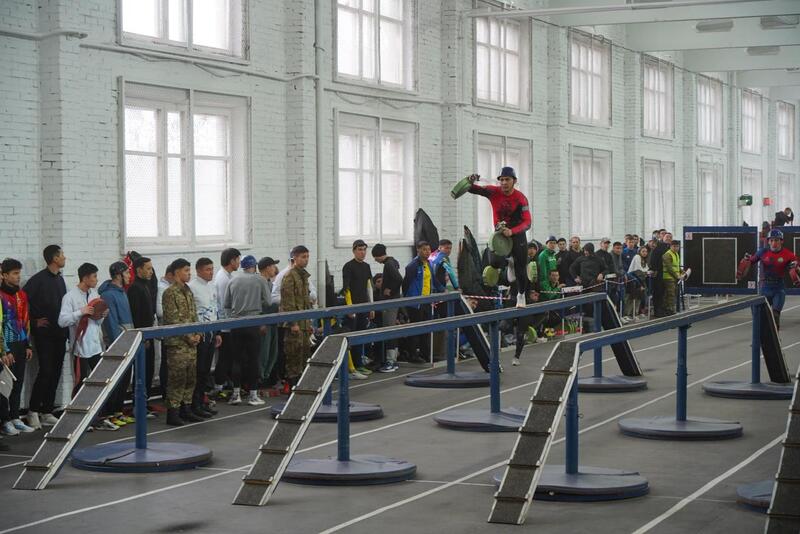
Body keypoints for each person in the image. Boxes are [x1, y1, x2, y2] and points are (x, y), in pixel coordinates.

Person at [58, 263, 117, 430]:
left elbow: (96, 322)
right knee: (80, 384)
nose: (97, 280)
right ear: (85, 278)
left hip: (96, 346)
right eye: (94, 277)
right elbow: (62, 321)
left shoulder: (95, 294)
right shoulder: (69, 297)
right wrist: (80, 312)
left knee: (100, 382)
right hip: (79, 348)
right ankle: (79, 420)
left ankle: (98, 418)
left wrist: (102, 315)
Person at [466, 167, 532, 308]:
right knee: (494, 263)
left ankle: (521, 295)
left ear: (514, 181)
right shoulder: (493, 192)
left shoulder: (521, 198)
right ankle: (509, 262)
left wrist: (512, 231)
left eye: (507, 180)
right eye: (501, 180)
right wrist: (469, 181)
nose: (504, 183)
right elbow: (472, 189)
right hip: (500, 234)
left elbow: (528, 223)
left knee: (520, 269)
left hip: (517, 234)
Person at [23, 245, 67, 430]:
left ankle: (47, 411)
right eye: (62, 255)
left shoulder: (60, 279)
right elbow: (22, 302)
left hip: (60, 333)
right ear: (54, 258)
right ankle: (33, 410)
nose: (64, 257)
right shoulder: (37, 280)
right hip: (44, 335)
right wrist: (34, 322)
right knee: (46, 371)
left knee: (56, 371)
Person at [161, 259, 203, 426]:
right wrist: (188, 336)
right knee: (177, 378)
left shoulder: (188, 290)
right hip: (177, 344)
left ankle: (187, 408)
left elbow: (194, 314)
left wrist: (198, 332)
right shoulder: (170, 293)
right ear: (177, 272)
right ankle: (173, 412)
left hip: (191, 344)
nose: (189, 273)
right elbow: (173, 318)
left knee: (190, 377)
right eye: (186, 270)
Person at [224, 255, 270, 406]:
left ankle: (236, 394)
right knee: (253, 359)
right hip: (253, 322)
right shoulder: (260, 280)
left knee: (236, 359)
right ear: (254, 266)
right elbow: (268, 301)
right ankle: (253, 395)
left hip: (236, 323)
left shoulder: (233, 280)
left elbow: (226, 304)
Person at [99, 262, 138, 426]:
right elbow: (111, 322)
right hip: (118, 343)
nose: (129, 276)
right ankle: (109, 413)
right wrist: (118, 344)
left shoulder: (122, 292)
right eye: (127, 273)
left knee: (125, 379)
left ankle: (118, 411)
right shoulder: (108, 295)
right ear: (118, 275)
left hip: (127, 340)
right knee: (115, 380)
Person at [0, 259, 35, 436]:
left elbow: (25, 320)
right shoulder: (0, 296)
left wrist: (27, 344)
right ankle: (5, 420)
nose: (18, 276)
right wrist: (4, 350)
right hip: (7, 345)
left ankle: (15, 417)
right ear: (4, 275)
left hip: (21, 343)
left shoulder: (22, 294)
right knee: (5, 385)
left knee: (18, 382)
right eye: (14, 273)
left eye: (18, 273)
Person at [740, 229, 799, 330]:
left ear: (781, 241)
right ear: (768, 241)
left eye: (776, 240)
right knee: (758, 314)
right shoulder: (762, 252)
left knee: (775, 316)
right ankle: (759, 338)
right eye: (771, 240)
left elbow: (797, 268)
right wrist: (745, 262)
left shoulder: (788, 254)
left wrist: (796, 267)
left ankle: (775, 339)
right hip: (765, 288)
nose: (774, 243)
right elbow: (750, 262)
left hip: (778, 289)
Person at [187, 258, 220, 418]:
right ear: (199, 270)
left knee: (206, 371)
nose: (211, 272)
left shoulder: (211, 286)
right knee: (198, 371)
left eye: (212, 269)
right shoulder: (192, 287)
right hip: (200, 334)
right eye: (208, 269)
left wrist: (218, 332)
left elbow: (215, 309)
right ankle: (194, 404)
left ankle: (201, 402)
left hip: (211, 332)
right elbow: (191, 312)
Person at [126, 256, 158, 417]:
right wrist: (142, 337)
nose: (151, 272)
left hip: (149, 334)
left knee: (149, 370)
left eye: (151, 268)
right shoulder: (135, 289)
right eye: (148, 268)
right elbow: (136, 315)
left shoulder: (146, 286)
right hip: (142, 337)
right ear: (139, 270)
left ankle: (143, 403)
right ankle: (137, 406)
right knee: (141, 372)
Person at [402, 241, 444, 361]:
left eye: (429, 249)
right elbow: (406, 284)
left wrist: (443, 290)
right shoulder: (413, 266)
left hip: (427, 301)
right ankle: (413, 355)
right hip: (415, 303)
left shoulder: (428, 263)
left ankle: (425, 354)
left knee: (426, 328)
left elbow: (433, 280)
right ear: (418, 250)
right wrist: (408, 299)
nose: (427, 252)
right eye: (424, 249)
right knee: (416, 329)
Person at [280, 246, 314, 386]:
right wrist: (293, 323)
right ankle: (292, 387)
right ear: (295, 258)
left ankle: (302, 386)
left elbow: (306, 301)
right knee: (294, 356)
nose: (306, 259)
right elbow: (288, 303)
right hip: (294, 325)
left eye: (307, 256)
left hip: (304, 323)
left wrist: (309, 322)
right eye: (303, 257)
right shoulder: (289, 276)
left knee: (305, 355)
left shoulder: (303, 276)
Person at [342, 240, 374, 375]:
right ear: (354, 251)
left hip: (364, 307)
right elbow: (346, 289)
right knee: (352, 337)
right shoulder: (348, 266)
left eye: (364, 249)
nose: (362, 252)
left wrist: (371, 306)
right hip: (353, 308)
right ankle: (351, 367)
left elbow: (369, 287)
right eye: (360, 250)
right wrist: (350, 307)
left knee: (361, 336)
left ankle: (359, 364)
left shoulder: (367, 267)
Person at [211, 247, 240, 399]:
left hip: (229, 323)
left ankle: (224, 383)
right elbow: (223, 304)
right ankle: (218, 386)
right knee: (224, 357)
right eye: (238, 260)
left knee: (229, 356)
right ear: (232, 260)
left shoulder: (228, 276)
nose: (239, 263)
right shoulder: (223, 279)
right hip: (225, 324)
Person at [372, 243, 402, 372]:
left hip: (390, 302)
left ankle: (391, 361)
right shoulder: (393, 262)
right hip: (393, 302)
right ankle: (393, 358)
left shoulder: (388, 264)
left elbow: (399, 279)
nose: (375, 260)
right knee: (391, 330)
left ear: (378, 255)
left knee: (389, 330)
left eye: (375, 257)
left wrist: (390, 290)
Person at [257, 257, 280, 386]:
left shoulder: (270, 283)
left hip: (272, 320)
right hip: (264, 320)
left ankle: (266, 375)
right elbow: (258, 304)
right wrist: (261, 322)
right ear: (267, 268)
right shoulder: (258, 283)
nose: (275, 269)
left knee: (273, 352)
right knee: (264, 352)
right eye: (273, 266)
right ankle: (260, 378)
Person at [650, 232, 672, 317]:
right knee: (658, 292)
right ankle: (657, 311)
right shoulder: (659, 247)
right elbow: (653, 259)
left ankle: (664, 310)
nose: (668, 238)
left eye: (670, 237)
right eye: (667, 237)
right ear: (663, 238)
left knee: (665, 293)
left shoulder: (670, 248)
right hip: (659, 274)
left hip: (667, 274)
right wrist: (655, 270)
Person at [625, 247, 650, 321]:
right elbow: (639, 269)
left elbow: (646, 268)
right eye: (643, 251)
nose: (645, 253)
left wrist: (646, 272)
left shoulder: (644, 259)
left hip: (641, 279)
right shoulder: (637, 257)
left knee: (639, 297)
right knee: (632, 297)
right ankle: (628, 314)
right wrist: (646, 272)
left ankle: (635, 313)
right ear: (639, 251)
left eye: (646, 251)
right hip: (633, 279)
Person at [662, 240, 685, 316]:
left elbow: (676, 266)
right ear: (670, 246)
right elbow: (669, 268)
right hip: (668, 278)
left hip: (674, 278)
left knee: (674, 294)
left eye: (677, 246)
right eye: (674, 246)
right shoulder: (667, 255)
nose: (676, 248)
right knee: (670, 294)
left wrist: (682, 271)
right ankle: (669, 310)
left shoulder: (676, 254)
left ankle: (670, 309)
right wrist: (677, 276)